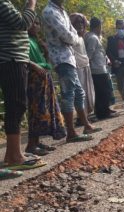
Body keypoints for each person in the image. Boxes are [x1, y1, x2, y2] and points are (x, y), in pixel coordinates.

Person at [43, 0, 101, 143]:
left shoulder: (61, 11)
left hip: (69, 57)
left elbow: (73, 32)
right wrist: (76, 38)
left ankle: (86, 125)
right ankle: (71, 132)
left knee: (79, 93)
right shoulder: (50, 12)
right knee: (68, 95)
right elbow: (68, 36)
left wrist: (74, 36)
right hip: (61, 58)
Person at [0, 0, 46, 174]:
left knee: (15, 105)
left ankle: (11, 154)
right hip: (11, 60)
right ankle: (15, 157)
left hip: (13, 59)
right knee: (17, 105)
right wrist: (31, 4)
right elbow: (23, 24)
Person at [26, 16, 66, 156]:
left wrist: (47, 52)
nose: (36, 26)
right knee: (36, 110)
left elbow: (44, 60)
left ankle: (36, 142)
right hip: (34, 79)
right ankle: (31, 144)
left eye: (37, 23)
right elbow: (25, 59)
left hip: (43, 78)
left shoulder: (37, 42)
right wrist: (36, 66)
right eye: (33, 23)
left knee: (44, 110)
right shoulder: (24, 40)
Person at [84, 17, 117, 120]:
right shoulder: (92, 38)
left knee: (102, 92)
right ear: (98, 26)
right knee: (103, 92)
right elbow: (89, 54)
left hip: (99, 68)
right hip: (97, 69)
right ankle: (103, 113)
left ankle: (103, 111)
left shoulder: (91, 36)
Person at [70, 13, 95, 116]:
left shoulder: (81, 37)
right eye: (77, 22)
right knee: (80, 94)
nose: (80, 25)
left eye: (81, 22)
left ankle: (86, 115)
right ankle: (81, 117)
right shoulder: (71, 37)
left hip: (85, 66)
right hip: (77, 67)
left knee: (88, 92)